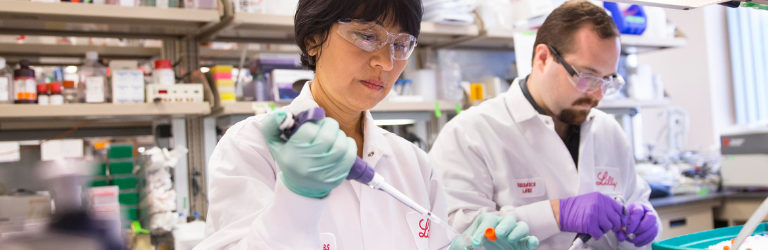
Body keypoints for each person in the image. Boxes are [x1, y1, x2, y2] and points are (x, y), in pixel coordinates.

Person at [196, 0, 539, 249]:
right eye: (366, 36)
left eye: (401, 44)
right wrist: (297, 199)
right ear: (314, 38)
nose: (385, 62)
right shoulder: (252, 147)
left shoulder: (414, 163)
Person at [430, 1, 661, 249]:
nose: (597, 95)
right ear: (542, 58)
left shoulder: (609, 131)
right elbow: (454, 232)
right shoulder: (470, 133)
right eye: (587, 77)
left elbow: (638, 200)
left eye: (607, 80)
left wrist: (645, 220)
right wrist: (555, 215)